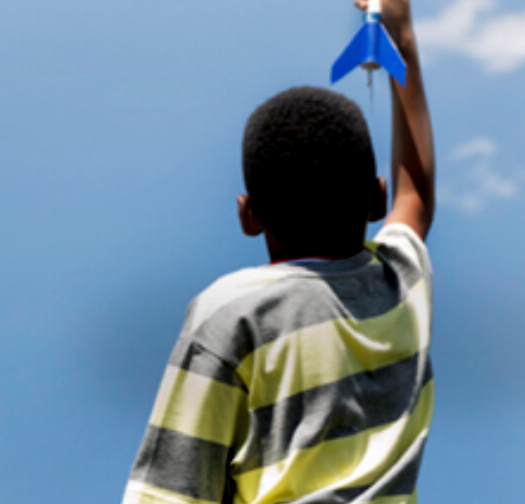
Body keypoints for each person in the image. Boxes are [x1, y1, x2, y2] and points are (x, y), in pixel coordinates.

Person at [120, 0, 437, 502]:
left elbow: (169, 491)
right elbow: (415, 196)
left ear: (249, 215)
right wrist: (404, 37)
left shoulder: (231, 313)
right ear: (375, 197)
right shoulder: (401, 284)